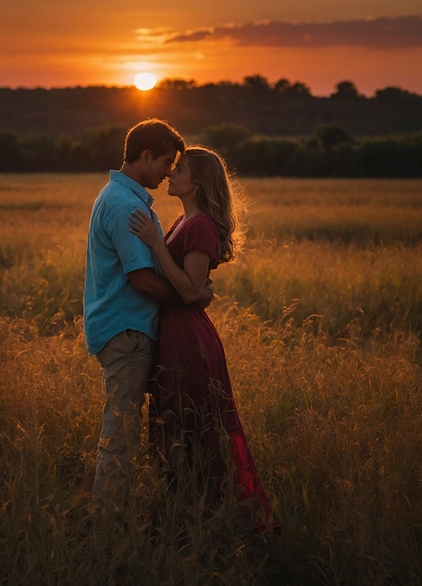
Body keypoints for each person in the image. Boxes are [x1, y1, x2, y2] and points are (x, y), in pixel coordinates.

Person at [129, 145, 280, 534]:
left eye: (178, 169)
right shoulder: (185, 219)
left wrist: (156, 244)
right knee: (180, 428)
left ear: (196, 181)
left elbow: (189, 289)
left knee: (195, 430)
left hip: (188, 339)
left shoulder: (198, 226)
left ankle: (211, 522)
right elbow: (198, 288)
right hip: (177, 331)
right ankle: (187, 518)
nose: (171, 174)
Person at [83, 118, 213, 513]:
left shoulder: (122, 198)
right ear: (144, 156)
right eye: (165, 162)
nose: (169, 171)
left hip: (127, 328)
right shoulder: (124, 205)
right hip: (127, 329)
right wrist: (190, 297)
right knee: (121, 430)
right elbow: (140, 279)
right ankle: (107, 519)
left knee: (127, 426)